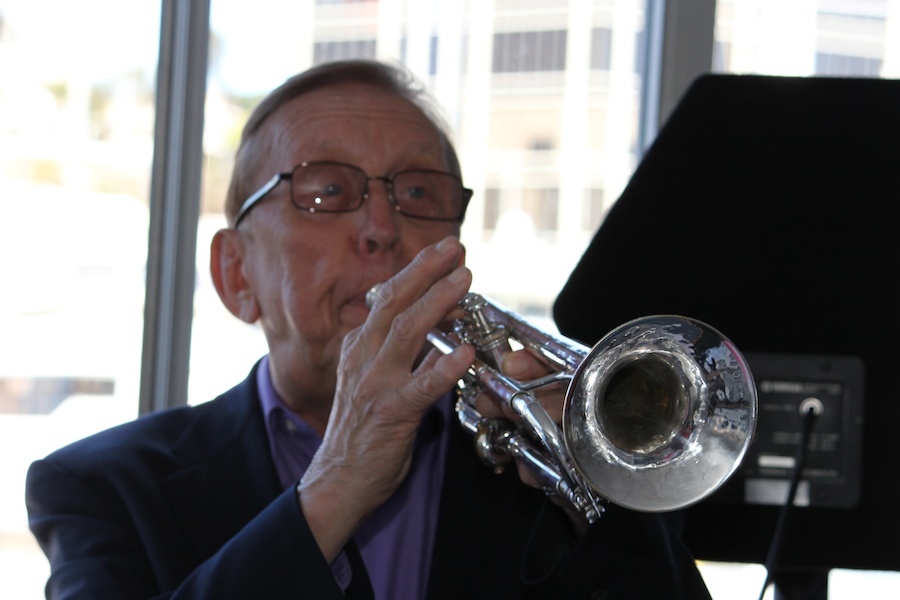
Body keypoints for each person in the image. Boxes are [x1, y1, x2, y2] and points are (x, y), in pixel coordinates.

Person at [26, 59, 713, 599]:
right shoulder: (100, 487)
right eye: (325, 190)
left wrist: (601, 489)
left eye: (418, 193)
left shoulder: (539, 473)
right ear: (237, 275)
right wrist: (336, 487)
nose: (383, 230)